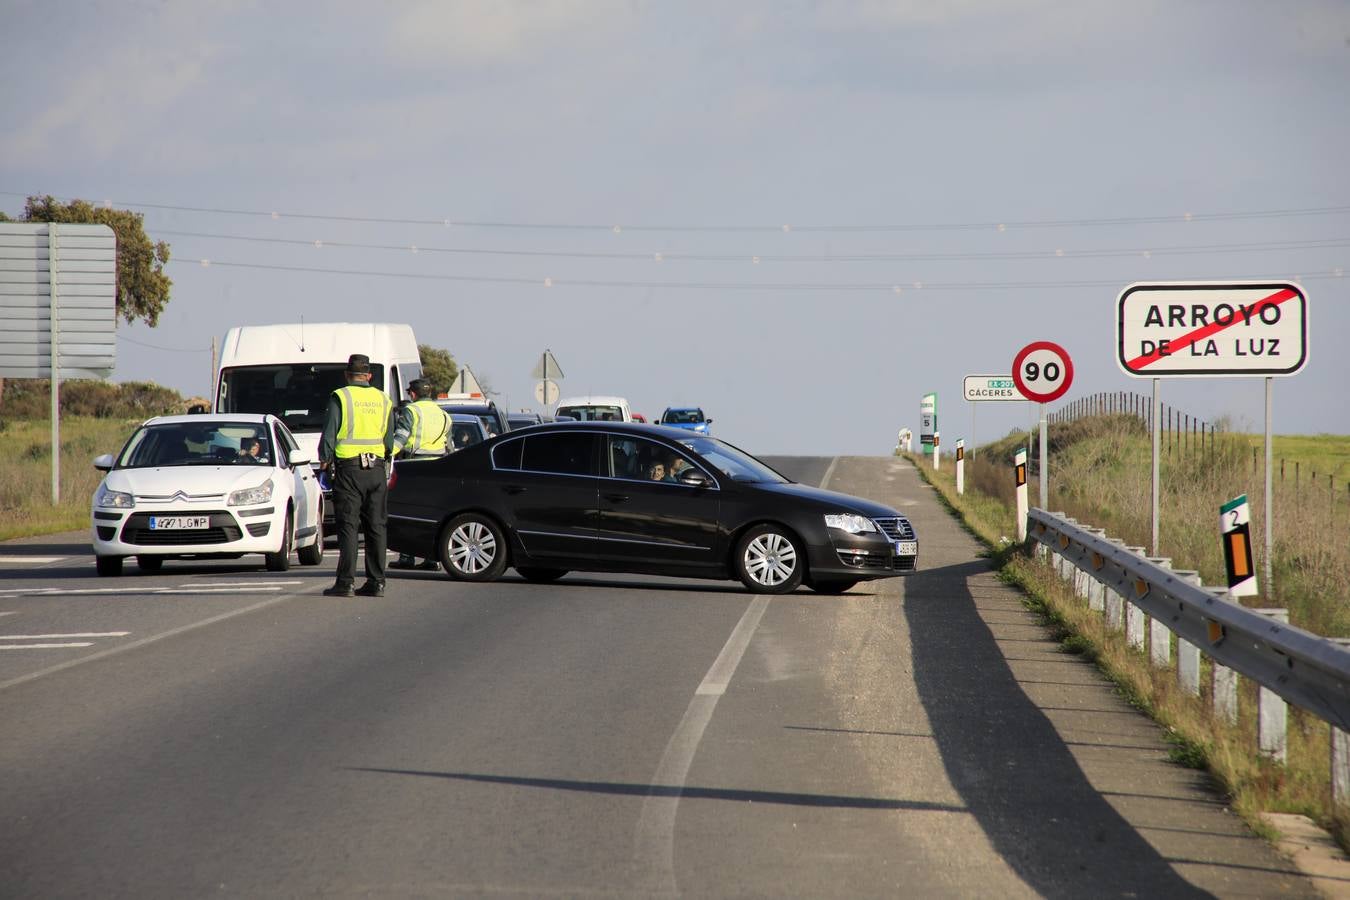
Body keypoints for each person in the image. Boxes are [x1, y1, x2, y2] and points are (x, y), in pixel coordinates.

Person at [319, 354, 397, 597]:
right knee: (376, 527)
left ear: (347, 374)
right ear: (369, 375)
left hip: (349, 471)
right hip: (376, 470)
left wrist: (325, 458)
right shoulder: (383, 399)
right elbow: (389, 440)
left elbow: (329, 436)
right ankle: (377, 582)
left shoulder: (340, 397)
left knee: (349, 527)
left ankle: (346, 583)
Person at [390, 378, 451, 571]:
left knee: (408, 513)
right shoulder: (444, 415)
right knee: (432, 515)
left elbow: (400, 438)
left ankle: (407, 557)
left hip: (413, 467)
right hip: (438, 469)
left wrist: (384, 455)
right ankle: (432, 559)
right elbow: (449, 447)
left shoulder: (411, 411)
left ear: (413, 394)